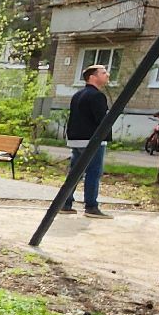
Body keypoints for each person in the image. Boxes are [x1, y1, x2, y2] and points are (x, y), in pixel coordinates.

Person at [66, 64, 113, 218]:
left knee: (75, 173)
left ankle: (65, 203)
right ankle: (91, 206)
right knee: (94, 172)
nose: (107, 75)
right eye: (103, 72)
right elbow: (102, 120)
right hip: (92, 141)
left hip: (76, 139)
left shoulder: (78, 95)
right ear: (93, 77)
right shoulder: (97, 96)